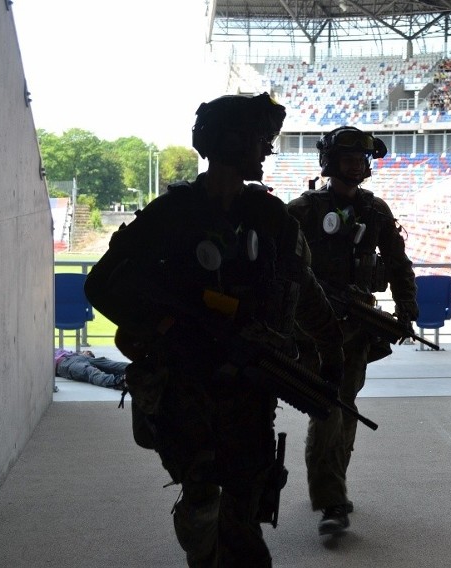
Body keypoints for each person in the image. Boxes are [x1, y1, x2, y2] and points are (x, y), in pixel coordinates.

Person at [84, 93, 344, 567]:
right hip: (184, 380)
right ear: (228, 141)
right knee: (203, 495)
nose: (267, 150)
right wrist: (166, 327)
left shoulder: (271, 218)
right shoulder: (171, 214)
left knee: (246, 502)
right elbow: (102, 285)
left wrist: (331, 351)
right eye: (259, 140)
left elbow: (302, 289)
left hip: (248, 381)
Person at [286, 126, 418, 535]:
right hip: (312, 330)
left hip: (357, 329)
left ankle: (334, 490)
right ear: (329, 161)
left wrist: (406, 311)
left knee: (345, 409)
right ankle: (331, 500)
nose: (356, 166)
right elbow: (280, 269)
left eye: (361, 160)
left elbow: (398, 264)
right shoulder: (303, 210)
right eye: (348, 159)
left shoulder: (375, 210)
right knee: (328, 408)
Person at [53, 348, 127, 389]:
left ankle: (135, 368)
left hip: (80, 357)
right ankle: (119, 382)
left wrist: (85, 352)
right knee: (91, 372)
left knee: (111, 364)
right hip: (64, 364)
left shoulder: (53, 347)